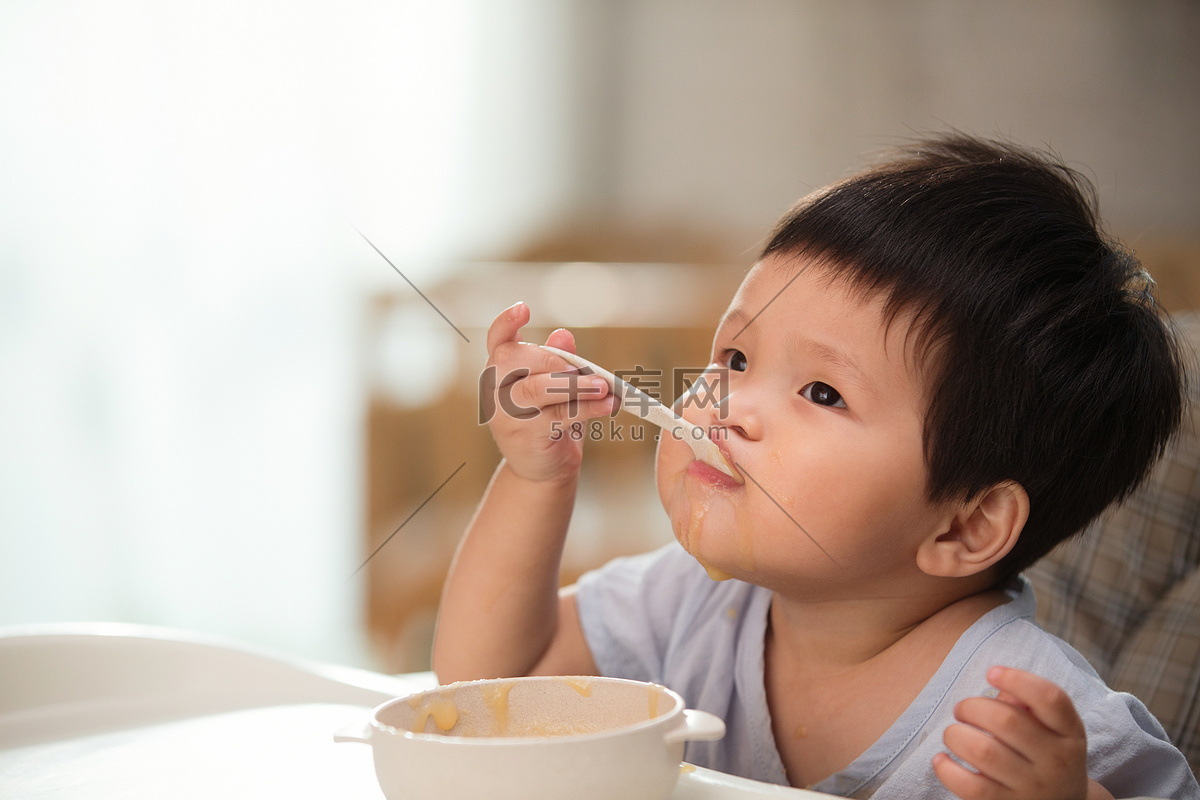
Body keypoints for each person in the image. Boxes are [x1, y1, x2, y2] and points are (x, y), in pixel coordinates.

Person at [432, 134, 1200, 799]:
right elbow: (492, 681)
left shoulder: (1025, 719)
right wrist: (537, 479)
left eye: (823, 392)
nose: (725, 404)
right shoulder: (691, 604)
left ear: (966, 525)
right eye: (734, 356)